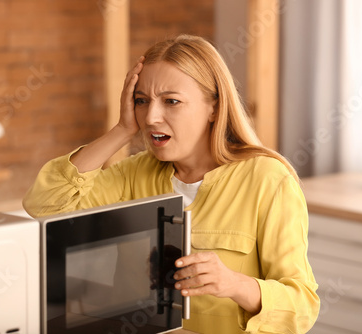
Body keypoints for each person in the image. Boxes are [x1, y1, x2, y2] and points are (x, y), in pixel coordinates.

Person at [23, 34, 320, 334]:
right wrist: (122, 130)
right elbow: (45, 206)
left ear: (214, 107)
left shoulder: (267, 180)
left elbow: (302, 308)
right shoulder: (133, 174)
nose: (151, 117)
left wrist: (234, 284)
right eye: (142, 101)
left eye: (171, 101)